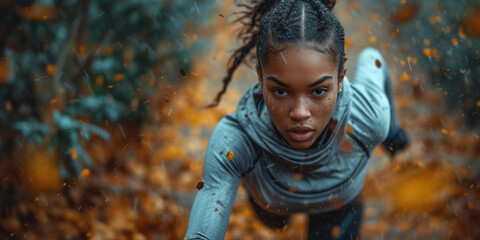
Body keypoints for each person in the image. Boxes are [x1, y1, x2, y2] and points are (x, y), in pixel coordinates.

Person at [184, 0, 409, 239]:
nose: (300, 113)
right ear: (260, 80)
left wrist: (392, 131)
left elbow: (373, 58)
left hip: (337, 202)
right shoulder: (236, 141)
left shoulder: (369, 116)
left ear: (340, 77)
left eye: (319, 91)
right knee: (275, 221)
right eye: (281, 91)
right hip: (272, 202)